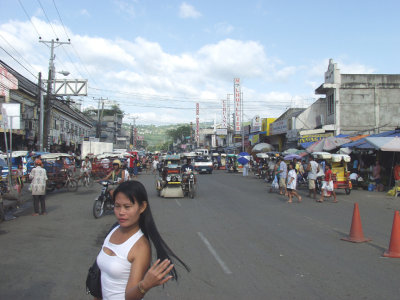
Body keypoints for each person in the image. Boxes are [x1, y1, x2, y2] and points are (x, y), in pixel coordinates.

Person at [96, 181, 189, 300]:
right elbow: (101, 278)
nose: (121, 212)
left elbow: (131, 297)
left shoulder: (140, 247)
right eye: (117, 206)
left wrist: (144, 285)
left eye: (127, 207)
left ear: (142, 207)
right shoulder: (113, 230)